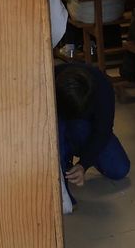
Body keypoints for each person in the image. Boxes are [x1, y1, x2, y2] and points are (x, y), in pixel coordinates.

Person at [55, 61, 130, 192]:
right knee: (60, 129)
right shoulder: (51, 78)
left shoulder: (102, 87)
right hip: (58, 126)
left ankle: (70, 160)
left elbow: (103, 131)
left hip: (84, 128)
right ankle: (63, 165)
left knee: (119, 169)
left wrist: (83, 164)